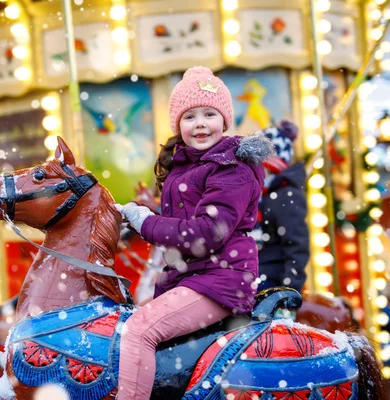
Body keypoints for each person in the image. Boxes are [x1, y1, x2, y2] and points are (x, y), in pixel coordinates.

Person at [115, 66, 272, 399]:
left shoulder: (232, 167)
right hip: (193, 276)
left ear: (225, 120)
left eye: (209, 114)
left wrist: (146, 222)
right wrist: (136, 217)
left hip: (221, 279)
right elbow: (183, 221)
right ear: (178, 125)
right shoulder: (187, 165)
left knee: (138, 330)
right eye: (189, 117)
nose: (199, 123)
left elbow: (205, 233)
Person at [250, 121, 309, 292]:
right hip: (253, 273)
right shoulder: (258, 193)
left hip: (272, 278)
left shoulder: (285, 194)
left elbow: (297, 244)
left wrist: (289, 288)